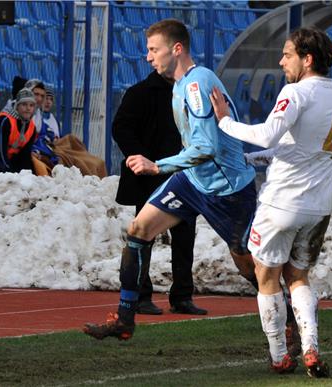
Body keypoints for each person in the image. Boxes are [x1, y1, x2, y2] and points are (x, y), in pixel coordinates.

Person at [83, 19, 258, 341]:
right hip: (192, 180)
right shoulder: (179, 85)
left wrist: (157, 166)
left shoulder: (195, 85)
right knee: (138, 230)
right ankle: (124, 319)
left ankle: (288, 315)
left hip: (227, 188)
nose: (148, 57)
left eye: (153, 49)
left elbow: (206, 148)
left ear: (176, 49)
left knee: (247, 261)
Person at [210, 27, 332, 377]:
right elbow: (298, 148)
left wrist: (226, 123)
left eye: (287, 54)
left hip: (282, 203)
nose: (281, 60)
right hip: (319, 206)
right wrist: (258, 159)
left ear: (307, 59)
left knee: (266, 275)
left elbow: (268, 132)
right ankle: (311, 349)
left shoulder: (296, 92)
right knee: (298, 276)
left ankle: (279, 356)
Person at [112, 69, 206, 315]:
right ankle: (141, 296)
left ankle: (183, 296)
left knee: (185, 237)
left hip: (183, 175)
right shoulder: (140, 92)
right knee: (144, 238)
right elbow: (121, 127)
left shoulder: (189, 92)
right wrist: (138, 157)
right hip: (149, 177)